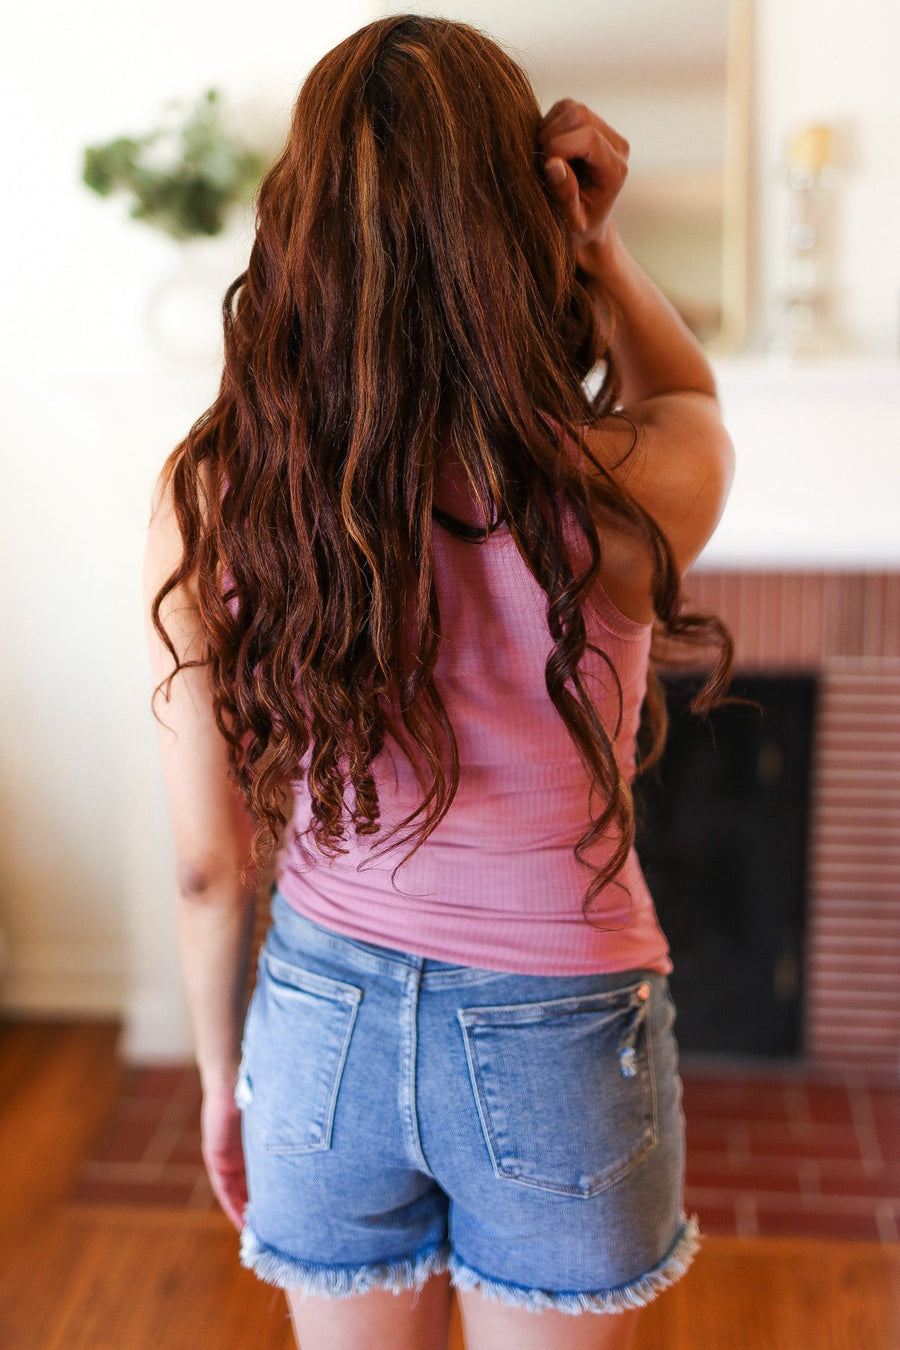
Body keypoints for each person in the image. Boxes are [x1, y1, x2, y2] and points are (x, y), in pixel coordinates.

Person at [144, 15, 734, 1350]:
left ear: (301, 223)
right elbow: (694, 402)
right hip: (563, 1028)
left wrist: (221, 1080)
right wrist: (602, 244)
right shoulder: (617, 487)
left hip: (320, 1025)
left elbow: (205, 865)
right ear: (522, 219)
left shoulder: (217, 492)